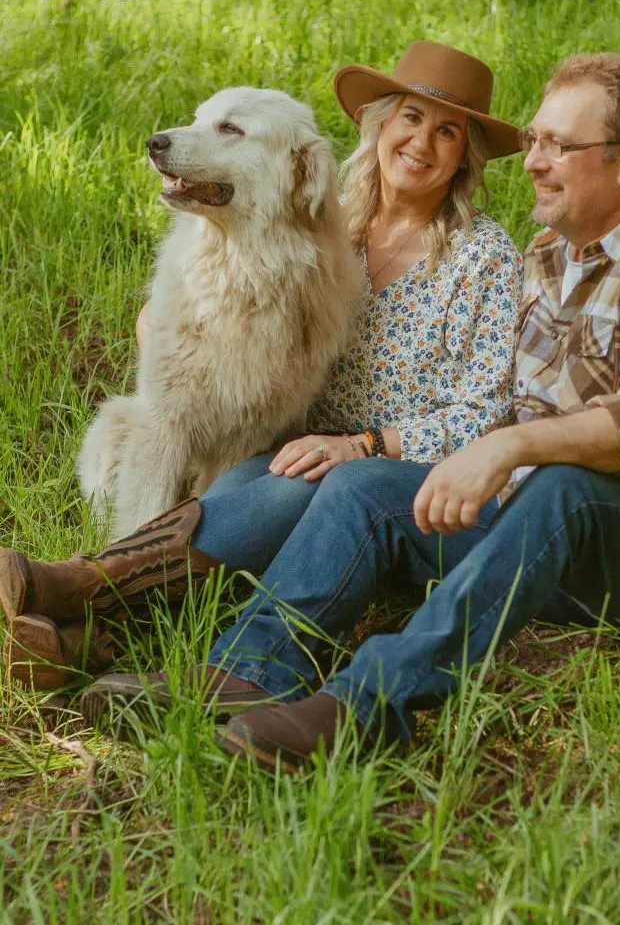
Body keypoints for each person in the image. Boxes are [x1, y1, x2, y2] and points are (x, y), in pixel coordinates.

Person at [77, 51, 620, 770]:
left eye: (560, 145)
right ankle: (238, 671)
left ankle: (367, 706)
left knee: (565, 486)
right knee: (359, 486)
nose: (533, 161)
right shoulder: (554, 257)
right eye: (534, 140)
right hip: (533, 517)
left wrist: (508, 447)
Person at [0, 42, 523, 692]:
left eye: (447, 131)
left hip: (388, 478)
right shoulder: (333, 223)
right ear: (382, 128)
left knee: (296, 488)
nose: (422, 142)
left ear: (465, 157)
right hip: (290, 447)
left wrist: (360, 445)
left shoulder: (484, 259)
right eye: (409, 120)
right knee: (228, 505)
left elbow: (488, 411)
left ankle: (89, 595)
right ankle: (93, 634)